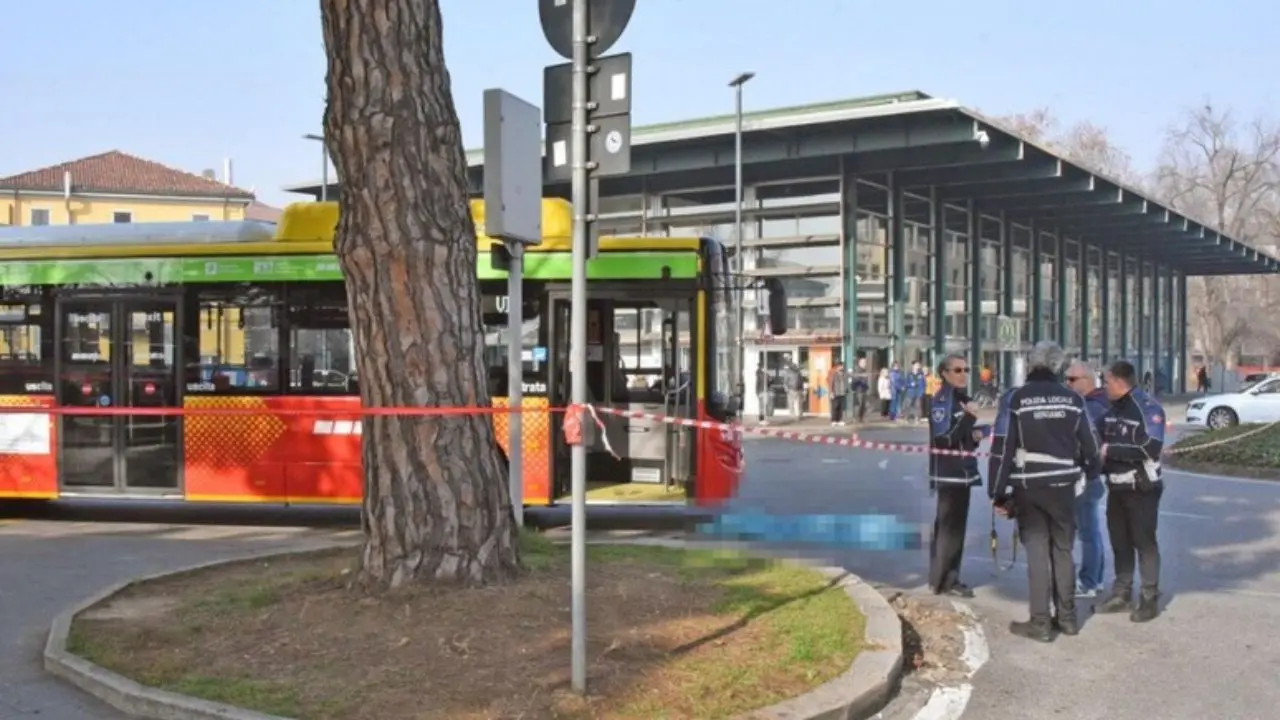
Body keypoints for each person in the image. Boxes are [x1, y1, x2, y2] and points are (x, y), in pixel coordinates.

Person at [988, 341, 1102, 642]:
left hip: (1030, 485)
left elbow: (1002, 447)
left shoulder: (1016, 399)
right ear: (1058, 367)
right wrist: (1089, 474)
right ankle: (1067, 619)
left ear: (1030, 364)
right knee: (1063, 551)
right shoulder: (1073, 400)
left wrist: (997, 492)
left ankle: (1040, 623)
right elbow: (1090, 445)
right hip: (1065, 486)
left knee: (1038, 552)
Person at [1095, 359, 1167, 623]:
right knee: (1120, 542)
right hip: (1116, 486)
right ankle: (1121, 593)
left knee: (1143, 542)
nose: (1103, 386)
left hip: (1141, 487)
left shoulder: (1148, 408)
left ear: (1117, 381)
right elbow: (1094, 437)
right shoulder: (1111, 410)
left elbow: (1151, 448)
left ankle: (1149, 597)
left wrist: (1110, 451)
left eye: (1106, 381)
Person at [927, 353, 984, 598]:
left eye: (966, 369)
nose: (963, 375)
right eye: (957, 370)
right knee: (949, 529)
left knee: (955, 528)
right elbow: (944, 439)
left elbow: (961, 438)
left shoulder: (961, 399)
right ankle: (944, 581)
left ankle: (946, 578)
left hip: (963, 471)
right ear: (945, 373)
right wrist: (969, 418)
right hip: (950, 473)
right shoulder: (943, 399)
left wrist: (975, 435)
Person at [1065, 360, 1109, 597]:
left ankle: (1089, 581)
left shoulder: (1091, 408)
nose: (1067, 384)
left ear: (1088, 381)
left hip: (1085, 475)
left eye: (1072, 379)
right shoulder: (1098, 403)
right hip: (1091, 475)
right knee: (1090, 529)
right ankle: (1095, 579)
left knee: (1087, 531)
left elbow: (1082, 442)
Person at [849, 357, 871, 423]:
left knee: (865, 405)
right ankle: (856, 418)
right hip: (859, 390)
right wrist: (862, 377)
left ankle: (861, 418)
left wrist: (867, 386)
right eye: (863, 362)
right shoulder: (857, 370)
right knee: (859, 405)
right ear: (860, 363)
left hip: (864, 389)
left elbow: (865, 380)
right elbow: (855, 380)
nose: (865, 364)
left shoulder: (864, 370)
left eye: (865, 362)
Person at [828, 360, 849, 426]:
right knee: (835, 407)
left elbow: (845, 382)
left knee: (840, 407)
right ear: (838, 366)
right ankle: (833, 420)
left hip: (842, 393)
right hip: (835, 392)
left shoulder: (844, 374)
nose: (842, 367)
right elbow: (831, 383)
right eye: (841, 366)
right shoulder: (833, 373)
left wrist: (846, 390)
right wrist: (831, 392)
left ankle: (839, 420)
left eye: (842, 366)